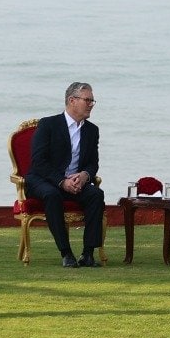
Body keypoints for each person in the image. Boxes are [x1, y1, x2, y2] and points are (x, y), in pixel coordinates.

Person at [25, 82, 105, 268]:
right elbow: (39, 162)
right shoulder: (48, 124)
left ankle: (88, 254)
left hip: (75, 182)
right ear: (72, 100)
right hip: (45, 180)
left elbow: (93, 163)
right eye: (88, 100)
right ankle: (66, 253)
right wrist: (62, 182)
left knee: (96, 195)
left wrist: (85, 175)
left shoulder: (92, 130)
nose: (91, 104)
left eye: (93, 100)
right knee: (52, 195)